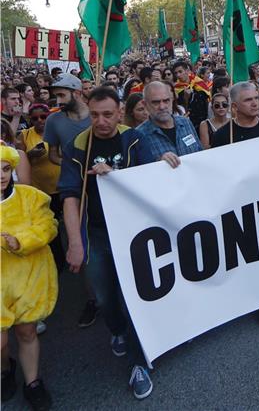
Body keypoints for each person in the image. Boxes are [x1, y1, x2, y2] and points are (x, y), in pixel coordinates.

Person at [59, 87, 155, 399]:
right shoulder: (78, 146)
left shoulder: (134, 138)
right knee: (104, 297)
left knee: (133, 299)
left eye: (108, 114)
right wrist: (75, 242)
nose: (101, 121)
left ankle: (139, 363)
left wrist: (113, 174)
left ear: (120, 112)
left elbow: (151, 180)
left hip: (133, 232)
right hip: (97, 233)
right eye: (95, 114)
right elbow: (70, 197)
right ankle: (116, 330)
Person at [211, 82, 259, 327]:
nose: (255, 103)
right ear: (234, 106)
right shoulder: (222, 136)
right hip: (239, 205)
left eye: (256, 98)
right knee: (248, 253)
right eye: (248, 100)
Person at [1, 144, 58, 410]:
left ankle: (32, 382)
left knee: (26, 331)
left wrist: (21, 241)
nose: (2, 175)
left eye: (5, 169)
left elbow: (48, 226)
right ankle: (5, 369)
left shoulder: (30, 197)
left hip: (27, 277)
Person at [18, 104, 64, 272]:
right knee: (50, 226)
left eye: (43, 117)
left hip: (62, 185)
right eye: (35, 118)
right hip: (41, 190)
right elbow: (19, 159)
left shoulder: (58, 131)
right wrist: (31, 155)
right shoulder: (24, 135)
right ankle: (58, 262)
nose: (40, 121)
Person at [138, 82, 203, 166]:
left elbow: (200, 153)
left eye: (166, 101)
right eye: (156, 102)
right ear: (145, 104)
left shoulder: (185, 123)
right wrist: (159, 163)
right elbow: (141, 173)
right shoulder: (139, 136)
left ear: (172, 99)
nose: (162, 106)